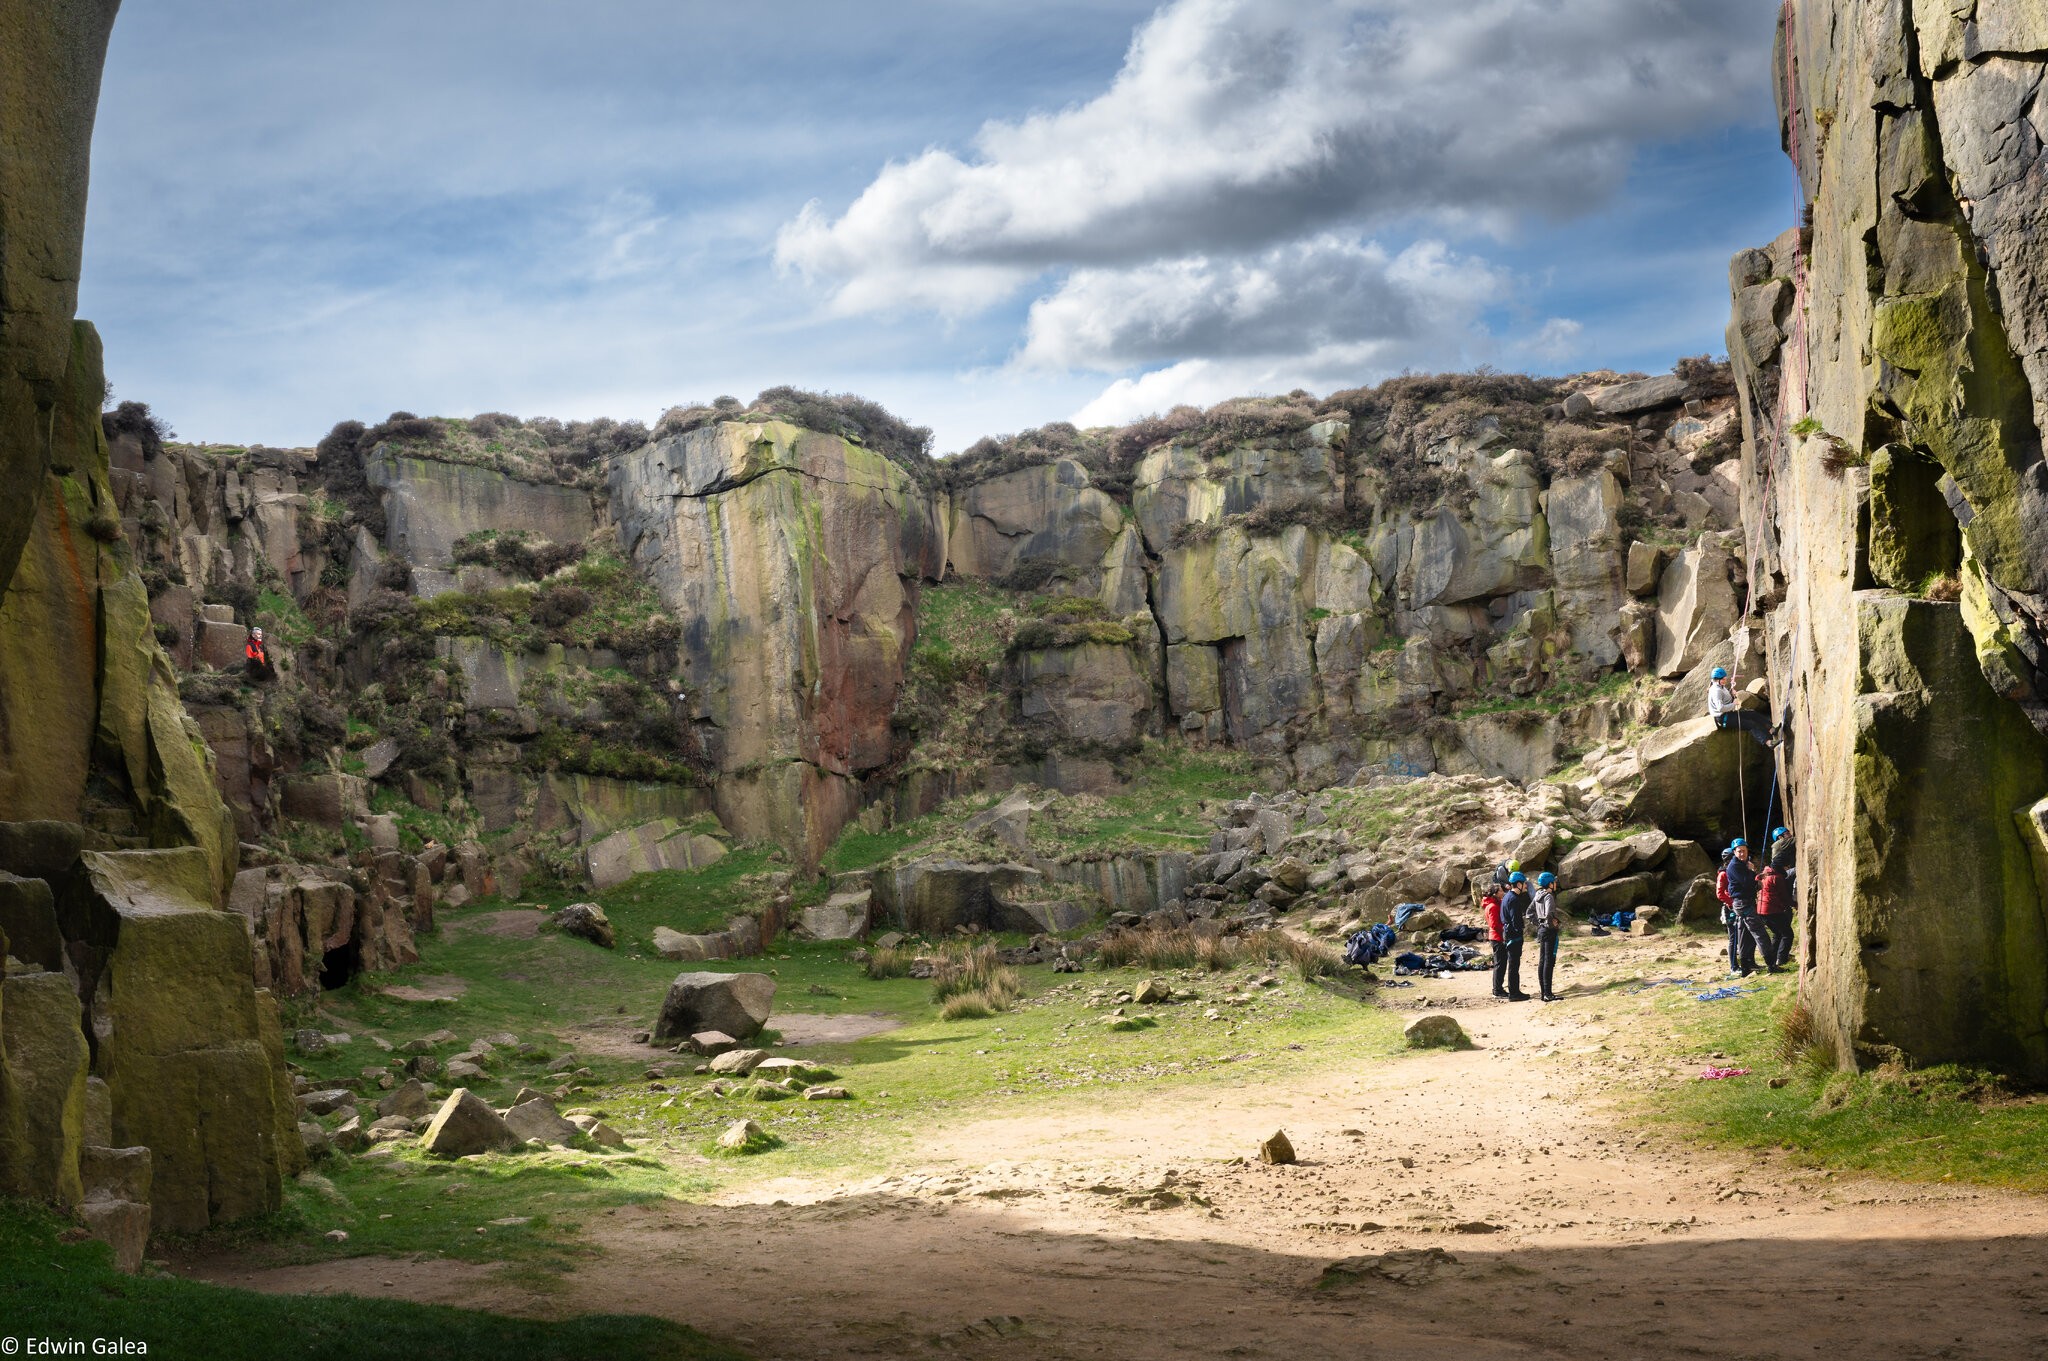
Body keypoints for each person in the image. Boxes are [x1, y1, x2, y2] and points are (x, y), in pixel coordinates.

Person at [1723, 843, 1772, 977]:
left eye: (1744, 851)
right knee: (1759, 932)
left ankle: (1745, 967)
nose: (1742, 854)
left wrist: (1757, 877)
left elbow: (1749, 882)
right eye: (1739, 851)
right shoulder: (1735, 866)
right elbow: (1746, 881)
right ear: (1734, 852)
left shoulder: (1742, 865)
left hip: (1744, 902)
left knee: (1744, 936)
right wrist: (1753, 871)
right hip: (1743, 904)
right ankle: (1771, 964)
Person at [1707, 666, 1776, 749]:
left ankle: (1772, 729)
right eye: (1724, 679)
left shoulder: (1719, 686)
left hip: (1727, 714)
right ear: (1718, 680)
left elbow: (1724, 698)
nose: (1726, 680)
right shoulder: (1716, 691)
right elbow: (1720, 708)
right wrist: (1734, 704)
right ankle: (1769, 743)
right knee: (1750, 724)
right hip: (1724, 718)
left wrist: (1731, 693)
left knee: (1752, 714)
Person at [1493, 872, 1531, 1001]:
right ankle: (1514, 993)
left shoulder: (1507, 897)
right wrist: (1520, 930)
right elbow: (1515, 920)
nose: (1526, 885)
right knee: (1514, 966)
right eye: (1524, 883)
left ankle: (1514, 991)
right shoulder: (1513, 899)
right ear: (1519, 884)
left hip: (1508, 934)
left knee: (1513, 965)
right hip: (1513, 936)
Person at [1530, 870, 1563, 1002]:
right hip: (1549, 932)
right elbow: (1549, 914)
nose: (1555, 884)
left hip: (1542, 931)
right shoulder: (1548, 896)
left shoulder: (1538, 894)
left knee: (1543, 961)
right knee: (1549, 962)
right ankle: (1548, 994)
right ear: (1549, 884)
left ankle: (1543, 992)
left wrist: (1539, 923)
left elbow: (1529, 912)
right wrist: (1551, 924)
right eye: (1554, 882)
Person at [1756, 863, 1793, 972]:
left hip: (1761, 910)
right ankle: (1781, 959)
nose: (1788, 868)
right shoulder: (1777, 877)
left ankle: (1773, 959)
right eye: (1786, 866)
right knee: (1787, 934)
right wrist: (1792, 904)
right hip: (1772, 910)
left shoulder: (1764, 874)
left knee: (1777, 934)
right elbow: (1783, 895)